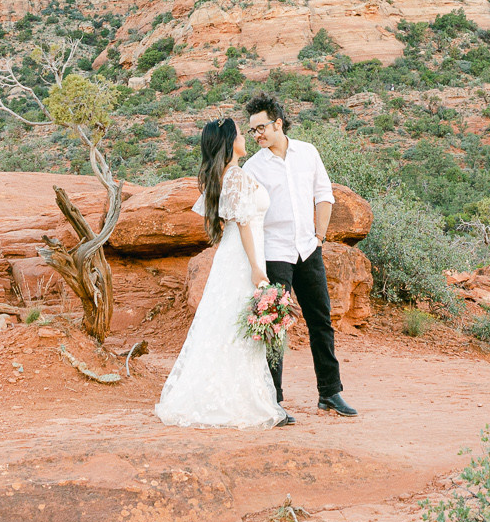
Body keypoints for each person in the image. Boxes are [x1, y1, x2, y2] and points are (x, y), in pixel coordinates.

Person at [153, 117, 289, 428]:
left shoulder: (226, 175)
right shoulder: (237, 176)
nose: (245, 136)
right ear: (230, 143)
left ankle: (222, 395)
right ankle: (241, 402)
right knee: (236, 328)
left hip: (231, 257)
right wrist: (257, 268)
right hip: (243, 258)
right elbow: (243, 225)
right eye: (241, 133)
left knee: (225, 325)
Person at [240, 92, 358, 418]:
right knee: (275, 325)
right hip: (275, 252)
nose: (257, 135)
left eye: (261, 127)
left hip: (308, 250)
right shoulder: (253, 166)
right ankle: (273, 401)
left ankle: (330, 394)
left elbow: (324, 195)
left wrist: (319, 237)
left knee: (321, 321)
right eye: (252, 131)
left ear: (278, 123)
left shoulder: (308, 152)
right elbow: (248, 215)